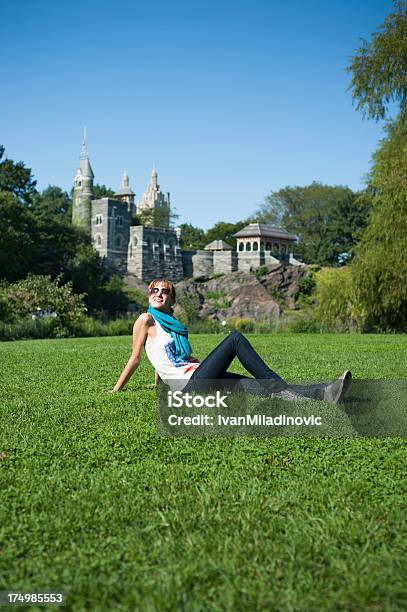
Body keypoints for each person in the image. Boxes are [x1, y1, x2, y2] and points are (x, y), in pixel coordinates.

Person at [111, 278, 352, 403]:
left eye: (164, 291)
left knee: (255, 386)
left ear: (171, 299)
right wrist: (116, 389)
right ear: (149, 295)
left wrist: (159, 382)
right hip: (189, 386)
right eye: (154, 290)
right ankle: (282, 388)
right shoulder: (145, 320)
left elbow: (163, 357)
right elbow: (136, 357)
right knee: (235, 339)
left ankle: (324, 394)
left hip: (196, 375)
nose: (158, 294)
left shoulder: (170, 324)